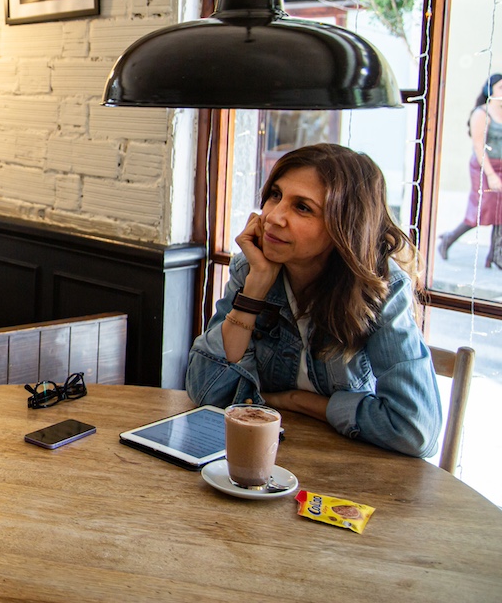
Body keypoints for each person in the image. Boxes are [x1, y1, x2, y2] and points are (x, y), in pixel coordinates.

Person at [185, 143, 441, 458]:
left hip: (350, 468)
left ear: (344, 226)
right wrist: (254, 291)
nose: (274, 217)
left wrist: (295, 402)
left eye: (302, 207)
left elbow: (415, 430)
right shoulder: (251, 268)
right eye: (275, 195)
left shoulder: (380, 288)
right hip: (267, 455)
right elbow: (206, 391)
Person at [437, 72, 502, 267]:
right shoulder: (482, 113)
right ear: (490, 90)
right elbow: (478, 146)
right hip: (484, 168)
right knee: (482, 210)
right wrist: (490, 175)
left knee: (501, 211)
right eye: (500, 88)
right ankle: (448, 239)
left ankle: (495, 255)